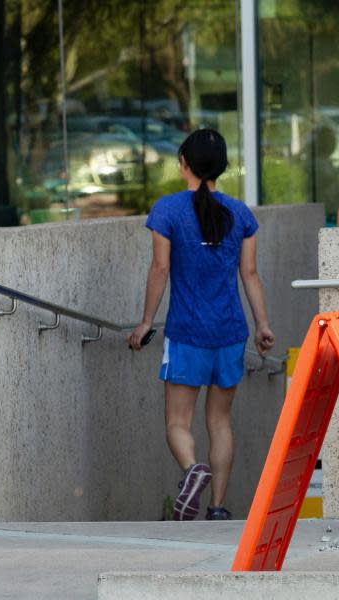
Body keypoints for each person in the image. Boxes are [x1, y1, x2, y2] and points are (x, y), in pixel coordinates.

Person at [129, 129, 275, 522]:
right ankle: (218, 508)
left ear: (184, 165)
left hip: (187, 333)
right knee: (220, 422)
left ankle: (193, 470)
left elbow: (160, 269)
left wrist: (145, 322)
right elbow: (251, 273)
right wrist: (263, 324)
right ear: (223, 168)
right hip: (230, 333)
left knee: (178, 422)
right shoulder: (241, 214)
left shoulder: (168, 211)